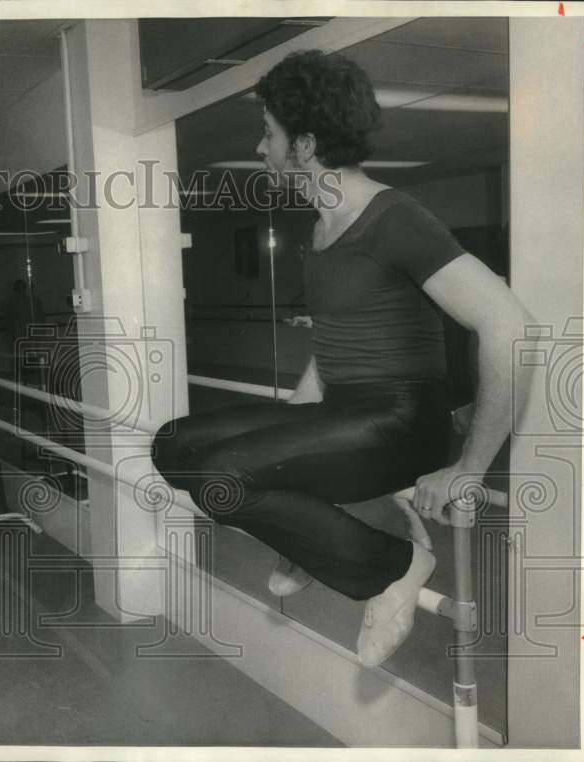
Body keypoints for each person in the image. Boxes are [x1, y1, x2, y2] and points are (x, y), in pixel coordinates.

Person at [151, 50, 535, 668]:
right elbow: (337, 339)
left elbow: (510, 325)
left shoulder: (395, 219)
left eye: (269, 133)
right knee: (173, 446)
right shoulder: (321, 227)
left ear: (304, 146)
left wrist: (471, 467)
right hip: (346, 412)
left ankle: (395, 567)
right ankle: (314, 541)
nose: (259, 147)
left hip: (402, 425)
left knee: (222, 477)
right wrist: (288, 427)